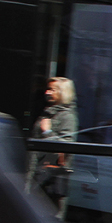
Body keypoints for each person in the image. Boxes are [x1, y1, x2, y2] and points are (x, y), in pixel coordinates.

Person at [33, 77, 77, 210]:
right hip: (39, 173)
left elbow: (66, 145)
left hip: (50, 178)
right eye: (47, 89)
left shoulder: (67, 116)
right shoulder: (49, 112)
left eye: (52, 90)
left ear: (63, 93)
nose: (47, 93)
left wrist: (48, 132)